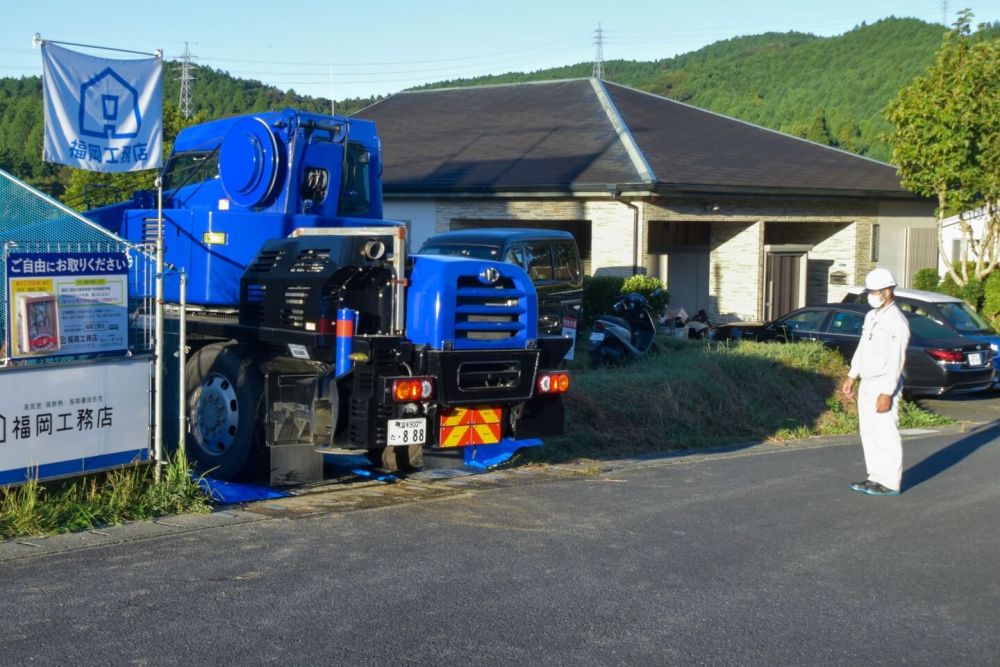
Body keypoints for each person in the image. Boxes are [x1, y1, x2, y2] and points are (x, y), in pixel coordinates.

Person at [840, 268, 909, 496]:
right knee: (868, 431)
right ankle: (875, 477)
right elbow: (863, 348)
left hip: (884, 383)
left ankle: (890, 482)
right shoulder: (872, 316)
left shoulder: (897, 321)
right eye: (870, 291)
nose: (872, 295)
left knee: (885, 431)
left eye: (876, 291)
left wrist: (887, 392)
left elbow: (896, 360)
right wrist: (852, 375)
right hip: (868, 381)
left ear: (888, 290)